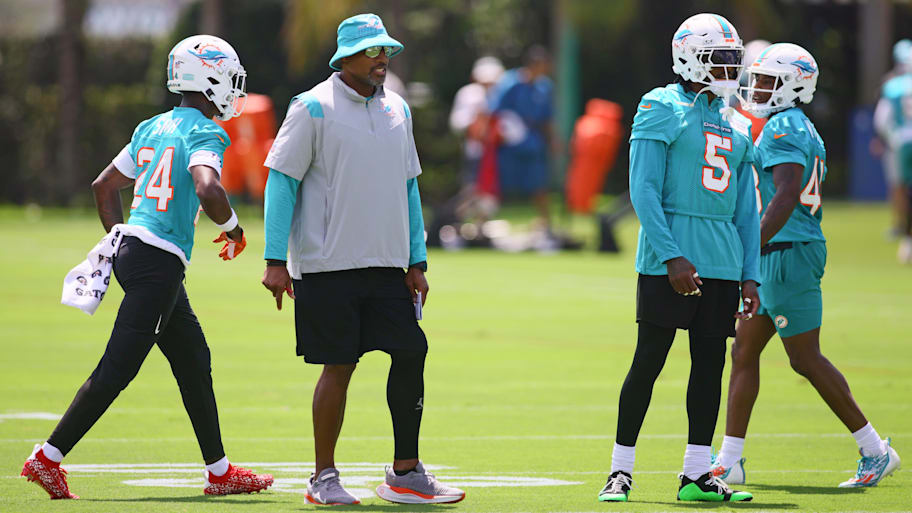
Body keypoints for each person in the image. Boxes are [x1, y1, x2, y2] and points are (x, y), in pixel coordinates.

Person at [20, 35, 274, 499]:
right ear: (209, 78)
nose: (233, 91)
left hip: (143, 256)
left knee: (194, 359)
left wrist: (119, 239)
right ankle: (47, 458)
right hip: (157, 263)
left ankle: (219, 472)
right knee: (117, 369)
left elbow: (103, 186)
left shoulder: (151, 127)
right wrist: (236, 230)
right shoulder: (205, 132)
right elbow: (208, 190)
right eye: (229, 81)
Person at [260, 13, 465, 506]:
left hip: (387, 266)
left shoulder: (399, 109)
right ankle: (323, 477)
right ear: (344, 57)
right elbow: (281, 183)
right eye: (372, 52)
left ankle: (405, 473)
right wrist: (274, 260)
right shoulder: (311, 108)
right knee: (340, 366)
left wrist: (417, 261)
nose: (382, 61)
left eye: (386, 52)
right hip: (326, 266)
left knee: (411, 351)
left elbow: (409, 185)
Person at [713, 43, 902, 488]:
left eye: (766, 80)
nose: (756, 88)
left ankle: (876, 450)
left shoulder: (784, 127)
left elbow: (786, 195)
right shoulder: (792, 125)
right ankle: (730, 458)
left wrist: (749, 248)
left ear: (794, 84)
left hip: (788, 250)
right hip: (781, 250)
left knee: (804, 358)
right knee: (743, 351)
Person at [597, 13, 759, 503]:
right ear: (689, 56)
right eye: (720, 58)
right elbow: (642, 188)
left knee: (710, 367)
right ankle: (620, 470)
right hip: (670, 258)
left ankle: (696, 473)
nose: (730, 69)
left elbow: (747, 210)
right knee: (648, 362)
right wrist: (671, 256)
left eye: (734, 59)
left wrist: (750, 275)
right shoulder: (660, 104)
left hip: (722, 261)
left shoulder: (735, 119)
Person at [488, 45, 555, 228]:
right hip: (508, 143)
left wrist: (553, 140)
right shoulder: (510, 82)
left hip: (533, 142)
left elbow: (546, 118)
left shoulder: (544, 87)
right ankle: (484, 223)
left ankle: (545, 223)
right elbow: (494, 112)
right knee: (497, 184)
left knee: (539, 183)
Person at [873, 39, 912, 262]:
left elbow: (881, 119)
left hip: (901, 141)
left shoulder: (893, 85)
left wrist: (889, 138)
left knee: (900, 187)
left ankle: (903, 229)